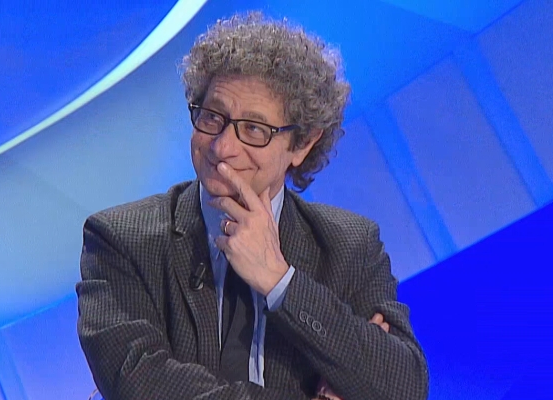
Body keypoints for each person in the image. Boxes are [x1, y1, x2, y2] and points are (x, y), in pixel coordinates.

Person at [77, 11, 429, 400]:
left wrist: (281, 281)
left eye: (254, 129)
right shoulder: (120, 240)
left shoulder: (349, 245)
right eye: (213, 117)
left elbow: (403, 388)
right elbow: (141, 385)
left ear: (303, 144)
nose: (222, 147)